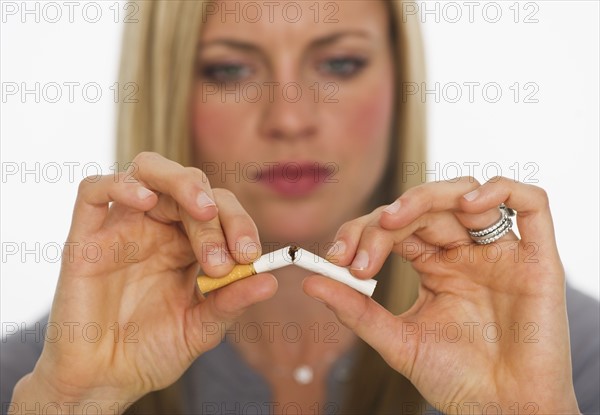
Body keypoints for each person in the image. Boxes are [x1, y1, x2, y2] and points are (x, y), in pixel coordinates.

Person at [2, 1, 599, 414]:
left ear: (399, 79)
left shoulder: (569, 356)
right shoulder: (36, 380)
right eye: (230, 70)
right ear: (169, 88)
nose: (289, 118)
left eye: (339, 64)